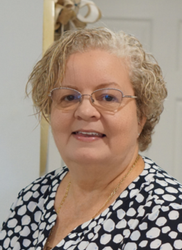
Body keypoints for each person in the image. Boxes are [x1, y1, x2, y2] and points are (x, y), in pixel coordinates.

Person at [1, 27, 182, 250]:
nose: (85, 111)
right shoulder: (33, 197)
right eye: (69, 96)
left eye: (108, 97)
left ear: (140, 117)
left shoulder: (170, 214)